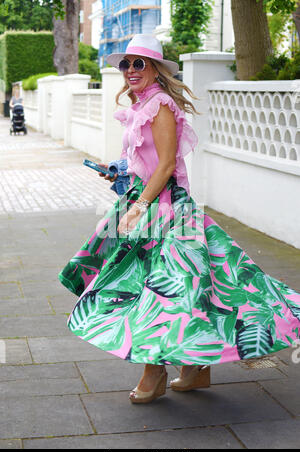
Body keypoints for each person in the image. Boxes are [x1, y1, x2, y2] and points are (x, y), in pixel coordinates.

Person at [58, 34, 300, 405]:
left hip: (163, 207)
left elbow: (168, 164)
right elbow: (148, 159)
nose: (130, 70)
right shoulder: (142, 105)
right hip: (144, 200)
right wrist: (117, 169)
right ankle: (195, 368)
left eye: (139, 63)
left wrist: (140, 205)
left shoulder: (161, 106)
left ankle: (154, 372)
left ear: (156, 68)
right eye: (126, 64)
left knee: (158, 291)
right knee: (190, 283)